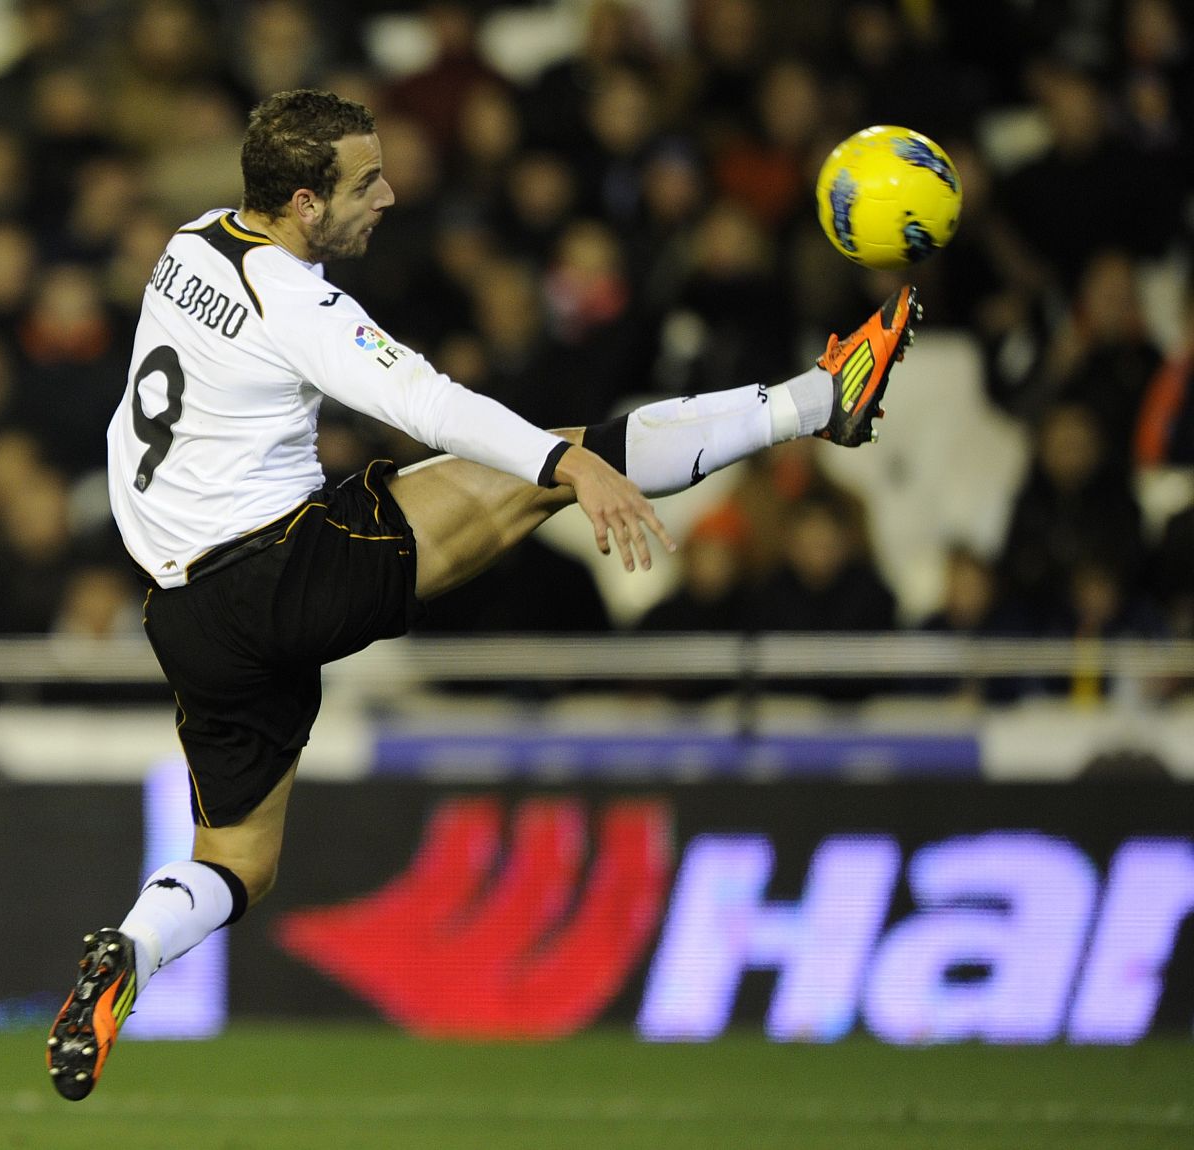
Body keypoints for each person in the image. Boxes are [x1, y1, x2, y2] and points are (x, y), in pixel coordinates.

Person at [45, 89, 919, 1100]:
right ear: (303, 201)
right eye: (367, 182)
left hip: (185, 614)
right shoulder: (295, 299)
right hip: (281, 567)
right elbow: (425, 402)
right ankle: (818, 398)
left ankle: (132, 949)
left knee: (238, 859)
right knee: (546, 461)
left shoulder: (189, 245)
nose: (389, 196)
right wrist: (564, 465)